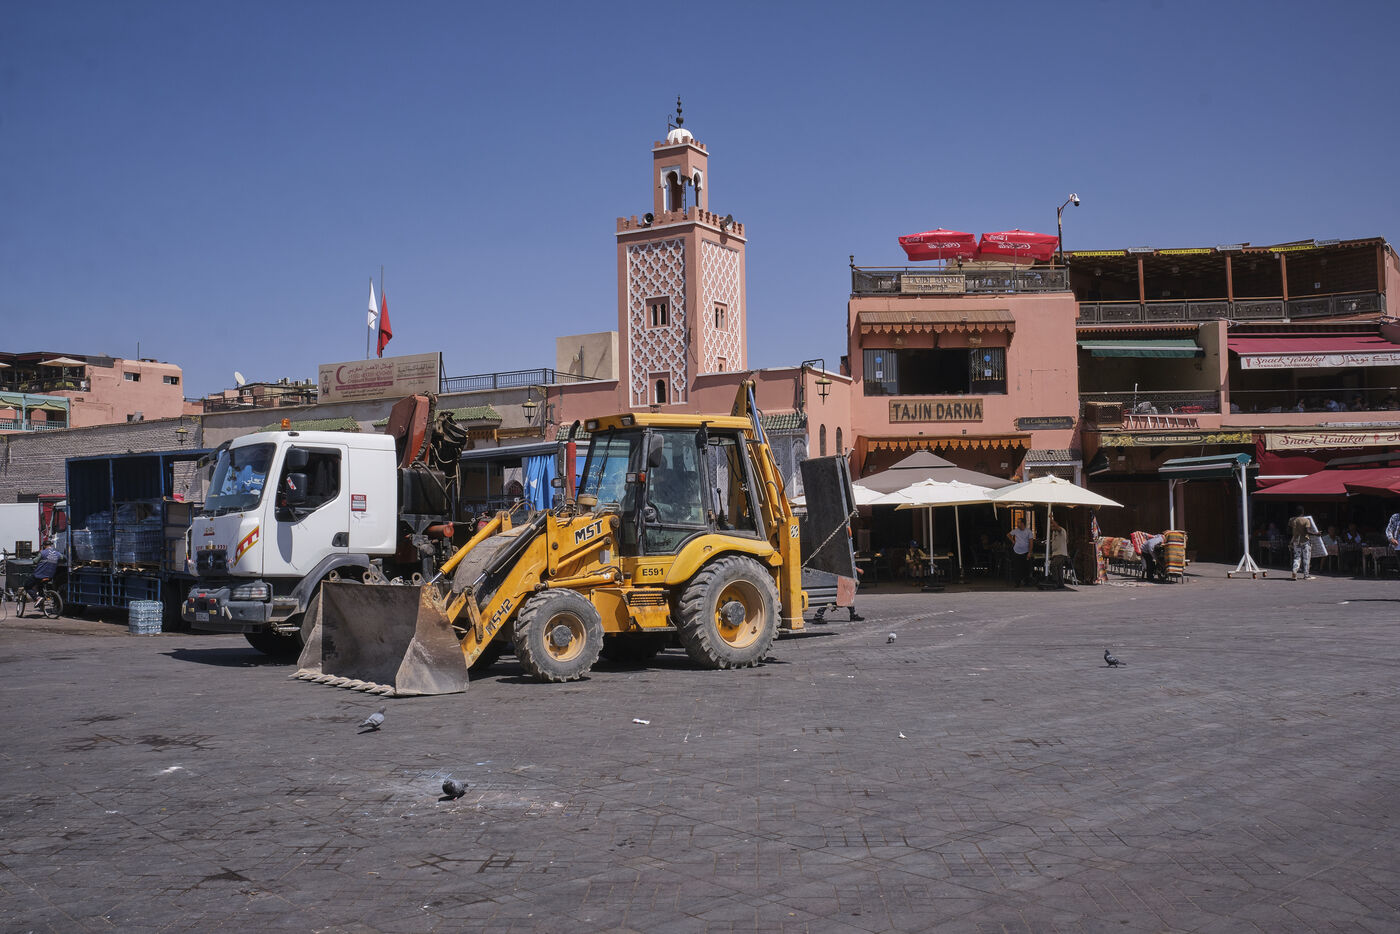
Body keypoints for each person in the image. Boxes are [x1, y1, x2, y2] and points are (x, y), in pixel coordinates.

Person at [1289, 506, 1316, 580]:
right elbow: (1307, 531)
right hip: (1305, 541)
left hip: (1296, 541)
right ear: (1303, 512)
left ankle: (1294, 571)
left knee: (1297, 557)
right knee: (1306, 558)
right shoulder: (1306, 520)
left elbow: (1289, 530)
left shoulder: (1291, 520)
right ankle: (1306, 575)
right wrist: (1315, 534)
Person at [1007, 517, 1034, 587]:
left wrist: (1029, 552)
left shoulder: (1028, 531)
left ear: (1022, 523)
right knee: (1017, 567)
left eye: (1018, 522)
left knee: (1026, 567)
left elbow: (1031, 542)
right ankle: (1017, 583)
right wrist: (1013, 541)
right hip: (1016, 551)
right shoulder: (1016, 530)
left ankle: (1026, 582)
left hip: (1025, 552)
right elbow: (1008, 535)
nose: (1017, 523)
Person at [1048, 515, 1070, 588]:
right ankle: (1061, 584)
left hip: (1061, 553)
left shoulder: (1061, 531)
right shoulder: (1054, 532)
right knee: (1059, 568)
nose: (1052, 527)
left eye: (1053, 525)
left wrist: (1051, 519)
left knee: (1053, 565)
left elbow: (1057, 527)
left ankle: (1055, 581)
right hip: (1056, 553)